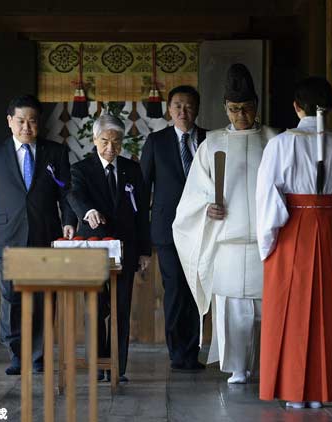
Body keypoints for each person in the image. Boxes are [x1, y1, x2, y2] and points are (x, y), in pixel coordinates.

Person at [256, 77, 332, 408]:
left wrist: (267, 243)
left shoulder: (279, 145)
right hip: (331, 226)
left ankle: (293, 392)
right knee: (331, 308)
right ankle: (322, 391)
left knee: (290, 309)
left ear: (296, 107)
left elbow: (267, 199)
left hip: (292, 229)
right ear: (328, 107)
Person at [173, 64, 279, 384]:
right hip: (228, 242)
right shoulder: (212, 144)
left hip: (266, 242)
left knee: (268, 308)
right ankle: (237, 367)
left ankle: (268, 363)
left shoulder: (274, 140)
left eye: (246, 108)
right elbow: (191, 199)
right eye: (234, 109)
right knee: (232, 308)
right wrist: (207, 209)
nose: (241, 115)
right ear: (225, 109)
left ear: (256, 106)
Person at [0, 94, 77, 375]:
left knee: (43, 296)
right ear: (10, 122)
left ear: (39, 123)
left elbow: (66, 192)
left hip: (45, 233)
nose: (26, 127)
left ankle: (39, 355)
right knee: (12, 298)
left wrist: (69, 221)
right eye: (20, 121)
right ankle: (17, 353)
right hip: (8, 236)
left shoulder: (55, 152)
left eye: (32, 121)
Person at [68, 114, 151, 383]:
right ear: (95, 139)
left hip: (125, 248)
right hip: (94, 247)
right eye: (105, 141)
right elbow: (74, 195)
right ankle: (96, 365)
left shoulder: (132, 169)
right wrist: (88, 211)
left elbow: (141, 215)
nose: (110, 148)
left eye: (116, 143)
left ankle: (117, 367)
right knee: (95, 308)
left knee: (121, 309)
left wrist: (144, 251)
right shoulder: (81, 169)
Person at [141, 85, 207, 371]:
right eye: (178, 105)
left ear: (197, 109)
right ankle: (177, 351)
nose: (183, 111)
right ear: (169, 110)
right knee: (175, 288)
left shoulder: (208, 139)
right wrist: (143, 236)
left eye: (189, 105)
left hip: (203, 229)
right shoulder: (156, 142)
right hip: (167, 230)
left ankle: (191, 352)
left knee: (196, 290)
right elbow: (143, 190)